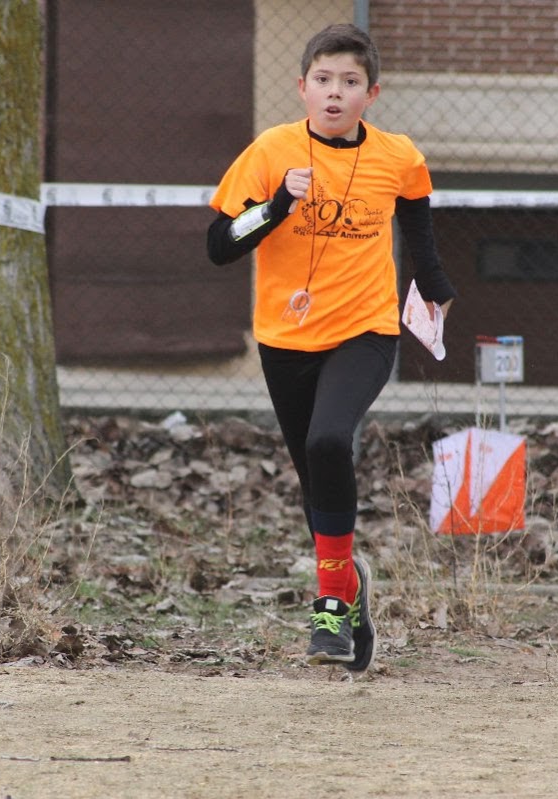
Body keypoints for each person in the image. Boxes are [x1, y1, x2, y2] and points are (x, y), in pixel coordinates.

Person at [206, 23, 457, 673]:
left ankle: (327, 608)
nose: (334, 93)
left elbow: (418, 225)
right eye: (322, 80)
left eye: (349, 82)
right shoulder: (270, 151)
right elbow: (217, 243)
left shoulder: (396, 156)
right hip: (284, 338)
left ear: (370, 93)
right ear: (301, 88)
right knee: (312, 479)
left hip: (365, 330)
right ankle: (349, 588)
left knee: (327, 442)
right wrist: (273, 207)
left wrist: (434, 289)